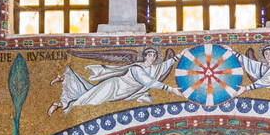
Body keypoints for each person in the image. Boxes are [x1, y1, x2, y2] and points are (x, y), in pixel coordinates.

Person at [48, 48, 176, 113]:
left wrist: (180, 55)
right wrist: (170, 89)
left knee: (90, 92)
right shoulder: (138, 67)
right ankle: (61, 104)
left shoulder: (154, 70)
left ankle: (65, 79)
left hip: (122, 93)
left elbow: (165, 66)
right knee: (92, 98)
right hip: (114, 86)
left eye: (154, 55)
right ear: (145, 56)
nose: (152, 57)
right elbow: (149, 82)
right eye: (150, 55)